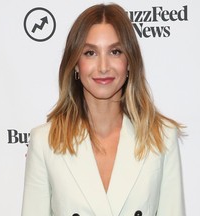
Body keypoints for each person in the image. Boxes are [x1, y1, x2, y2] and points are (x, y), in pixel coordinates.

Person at [21, 3, 185, 216]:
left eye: (115, 51)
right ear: (76, 64)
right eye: (90, 53)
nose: (103, 66)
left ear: (129, 62)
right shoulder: (45, 142)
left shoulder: (161, 137)